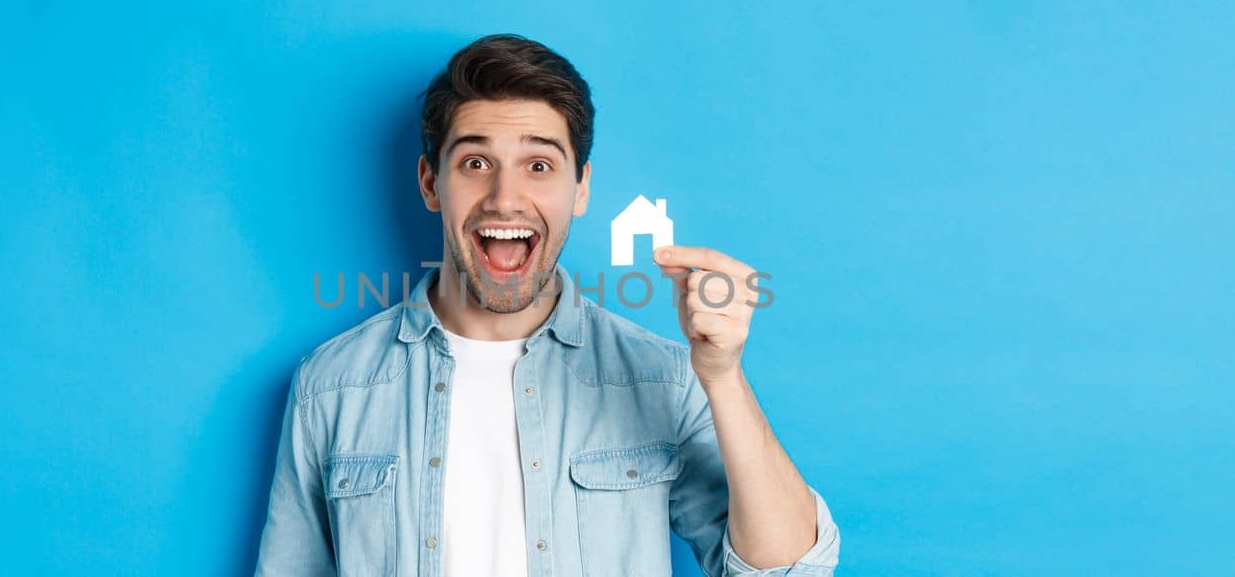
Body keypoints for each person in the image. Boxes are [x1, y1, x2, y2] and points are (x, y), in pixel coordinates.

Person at [254, 33, 839, 576]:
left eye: (539, 166)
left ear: (580, 188)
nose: (505, 199)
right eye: (476, 163)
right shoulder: (329, 388)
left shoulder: (663, 378)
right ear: (431, 183)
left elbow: (792, 571)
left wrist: (725, 377)